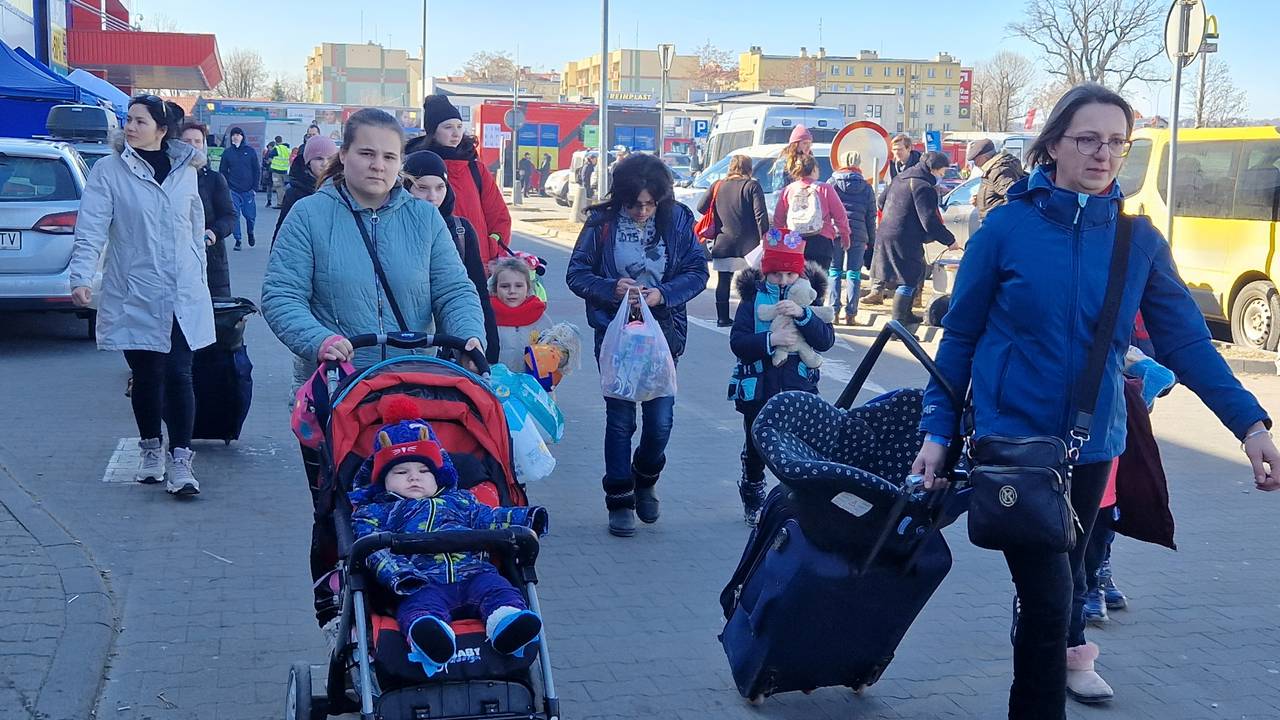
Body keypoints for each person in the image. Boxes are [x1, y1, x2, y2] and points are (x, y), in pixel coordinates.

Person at [910, 82, 1280, 719]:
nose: (1103, 154)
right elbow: (960, 335)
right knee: (1053, 600)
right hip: (1016, 446)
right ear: (1053, 144)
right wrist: (937, 432)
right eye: (1087, 139)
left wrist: (1249, 424)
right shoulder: (1006, 228)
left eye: (1116, 142)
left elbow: (1187, 344)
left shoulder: (1138, 243)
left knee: (1060, 596)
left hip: (1093, 450)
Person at [264, 109, 487, 626]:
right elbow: (280, 294)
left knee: (420, 502)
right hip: (339, 397)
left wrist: (467, 333)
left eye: (389, 156)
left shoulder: (423, 218)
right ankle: (344, 614)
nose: (378, 165)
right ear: (344, 155)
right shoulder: (310, 216)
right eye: (366, 153)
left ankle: (425, 603)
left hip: (416, 389)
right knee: (345, 511)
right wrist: (321, 339)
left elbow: (454, 288)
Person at [68, 94, 215, 496]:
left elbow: (193, 222)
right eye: (128, 120)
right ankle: (152, 449)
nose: (129, 127)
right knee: (148, 376)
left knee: (180, 373)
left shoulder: (187, 169)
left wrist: (199, 273)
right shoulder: (109, 171)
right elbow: (92, 227)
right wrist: (81, 277)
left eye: (139, 121)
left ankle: (181, 460)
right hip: (136, 289)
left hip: (182, 290)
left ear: (162, 130)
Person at [566, 153, 709, 537]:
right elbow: (577, 273)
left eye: (651, 203)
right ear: (621, 198)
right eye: (635, 204)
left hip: (663, 334)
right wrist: (610, 289)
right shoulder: (602, 223)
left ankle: (645, 477)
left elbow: (698, 271)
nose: (643, 211)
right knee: (620, 419)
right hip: (617, 336)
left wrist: (663, 294)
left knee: (660, 421)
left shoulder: (677, 219)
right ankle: (620, 497)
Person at [350, 404, 547, 677]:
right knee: (417, 607)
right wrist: (400, 574)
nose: (414, 477)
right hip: (420, 580)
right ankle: (432, 638)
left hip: (474, 573)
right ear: (383, 481)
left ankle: (507, 624)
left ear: (438, 476)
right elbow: (371, 549)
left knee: (499, 590)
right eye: (400, 472)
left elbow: (488, 518)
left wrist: (526, 520)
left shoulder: (460, 501)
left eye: (423, 470)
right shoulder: (377, 511)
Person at [728, 237, 835, 524]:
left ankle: (798, 499)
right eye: (776, 273)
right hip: (759, 390)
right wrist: (770, 339)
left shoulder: (810, 298)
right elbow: (738, 342)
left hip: (799, 387)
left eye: (790, 274)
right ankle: (752, 490)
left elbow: (825, 340)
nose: (784, 279)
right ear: (766, 272)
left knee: (799, 446)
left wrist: (804, 316)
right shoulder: (753, 299)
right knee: (756, 448)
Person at [401, 150, 501, 364]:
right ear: (406, 187)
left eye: (440, 187)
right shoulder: (393, 228)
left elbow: (476, 290)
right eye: (422, 188)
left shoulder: (461, 230)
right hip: (408, 342)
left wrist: (488, 342)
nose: (433, 197)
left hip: (453, 342)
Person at [405, 95, 511, 267]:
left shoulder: (476, 169)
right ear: (432, 131)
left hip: (476, 263)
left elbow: (499, 217)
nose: (456, 133)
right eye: (448, 127)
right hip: (426, 262)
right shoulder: (414, 165)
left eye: (459, 126)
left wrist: (489, 249)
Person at [874, 150, 957, 325]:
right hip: (905, 237)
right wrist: (950, 240)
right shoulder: (923, 187)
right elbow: (929, 220)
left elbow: (881, 202)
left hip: (887, 232)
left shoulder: (900, 178)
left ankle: (907, 314)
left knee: (915, 272)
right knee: (907, 279)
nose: (942, 175)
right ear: (933, 169)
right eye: (942, 172)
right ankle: (898, 323)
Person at [698, 154, 769, 326]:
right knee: (753, 281)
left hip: (724, 242)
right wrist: (764, 239)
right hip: (749, 245)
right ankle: (749, 317)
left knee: (723, 281)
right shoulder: (752, 185)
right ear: (749, 168)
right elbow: (760, 214)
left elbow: (701, 207)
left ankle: (722, 318)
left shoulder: (718, 185)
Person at [179, 121, 236, 297]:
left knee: (213, 314)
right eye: (187, 141)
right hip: (176, 256)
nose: (193, 146)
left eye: (198, 141)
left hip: (211, 257)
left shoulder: (214, 179)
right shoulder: (170, 179)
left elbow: (229, 216)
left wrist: (214, 232)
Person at [772, 153, 852, 272]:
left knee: (797, 281)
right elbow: (840, 215)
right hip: (822, 241)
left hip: (795, 242)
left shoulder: (789, 190)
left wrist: (780, 241)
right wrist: (845, 236)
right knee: (818, 283)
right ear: (814, 169)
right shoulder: (825, 188)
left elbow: (778, 219)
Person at [828, 150, 877, 325]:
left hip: (835, 233)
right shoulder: (866, 187)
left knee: (834, 272)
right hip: (859, 234)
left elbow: (825, 209)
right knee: (854, 274)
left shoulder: (832, 183)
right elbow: (871, 216)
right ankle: (851, 314)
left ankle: (833, 311)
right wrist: (871, 240)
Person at [489, 255, 553, 370]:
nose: (512, 291)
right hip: (494, 383)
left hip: (530, 384)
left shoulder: (539, 317)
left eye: (518, 286)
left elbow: (554, 353)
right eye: (505, 286)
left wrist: (562, 354)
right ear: (495, 289)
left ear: (528, 288)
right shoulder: (486, 317)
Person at [273, 134, 338, 242]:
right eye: (318, 158)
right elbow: (283, 231)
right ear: (308, 162)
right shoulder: (294, 193)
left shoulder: (343, 189)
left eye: (330, 159)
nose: (325, 163)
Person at [968, 137, 1028, 223]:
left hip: (997, 225)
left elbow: (1013, 198)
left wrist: (995, 216)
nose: (975, 164)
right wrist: (980, 200)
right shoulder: (993, 169)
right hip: (994, 223)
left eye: (975, 160)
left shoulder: (999, 171)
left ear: (984, 157)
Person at [219, 126, 259, 250]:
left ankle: (250, 232)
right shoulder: (227, 153)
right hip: (233, 190)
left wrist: (254, 188)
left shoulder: (250, 151)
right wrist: (225, 187)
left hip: (248, 190)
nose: (236, 137)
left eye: (238, 134)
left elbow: (256, 170)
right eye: (234, 135)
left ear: (242, 137)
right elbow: (223, 171)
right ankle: (238, 239)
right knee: (235, 215)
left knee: (250, 216)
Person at [270, 136, 291, 208]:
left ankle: (280, 203)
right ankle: (285, 202)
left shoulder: (276, 148)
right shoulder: (287, 149)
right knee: (285, 188)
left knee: (278, 187)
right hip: (285, 171)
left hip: (276, 171)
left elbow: (270, 157)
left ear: (275, 141)